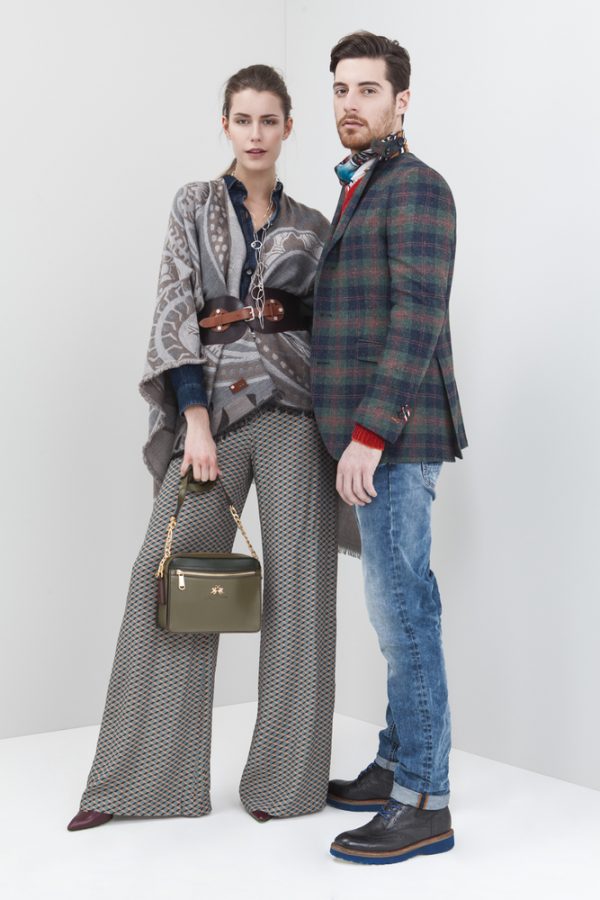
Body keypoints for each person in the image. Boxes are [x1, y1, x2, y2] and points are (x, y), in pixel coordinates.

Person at [67, 64, 356, 831]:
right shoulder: (194, 204)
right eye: (243, 119)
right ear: (225, 124)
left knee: (301, 593)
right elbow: (175, 307)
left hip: (298, 417)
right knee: (165, 583)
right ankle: (141, 785)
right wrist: (193, 419)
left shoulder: (314, 224)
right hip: (216, 417)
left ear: (288, 127)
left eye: (269, 120)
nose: (256, 134)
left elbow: (334, 324)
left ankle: (286, 785)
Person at [311, 32, 468, 864]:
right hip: (372, 435)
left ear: (401, 101)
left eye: (368, 90)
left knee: (404, 612)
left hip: (397, 438)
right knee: (395, 608)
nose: (351, 103)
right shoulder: (363, 186)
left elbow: (417, 318)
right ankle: (395, 761)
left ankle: (424, 801)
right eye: (341, 89)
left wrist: (369, 434)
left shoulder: (418, 188)